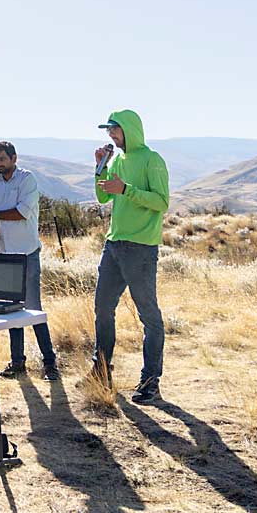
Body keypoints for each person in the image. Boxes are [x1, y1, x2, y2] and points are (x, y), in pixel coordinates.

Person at [94, 110, 169, 404]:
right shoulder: (118, 161)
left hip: (140, 248)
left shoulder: (152, 160)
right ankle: (100, 371)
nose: (111, 135)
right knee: (102, 308)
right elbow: (103, 198)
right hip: (113, 245)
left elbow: (161, 202)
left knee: (148, 316)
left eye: (115, 129)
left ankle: (150, 382)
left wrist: (126, 189)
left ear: (130, 129)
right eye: (109, 130)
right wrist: (100, 168)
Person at [0, 140, 59, 381]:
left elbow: (21, 213)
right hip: (6, 255)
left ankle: (49, 363)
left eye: (3, 159)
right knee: (11, 311)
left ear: (14, 159)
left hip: (27, 253)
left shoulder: (27, 180)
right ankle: (17, 362)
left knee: (33, 310)